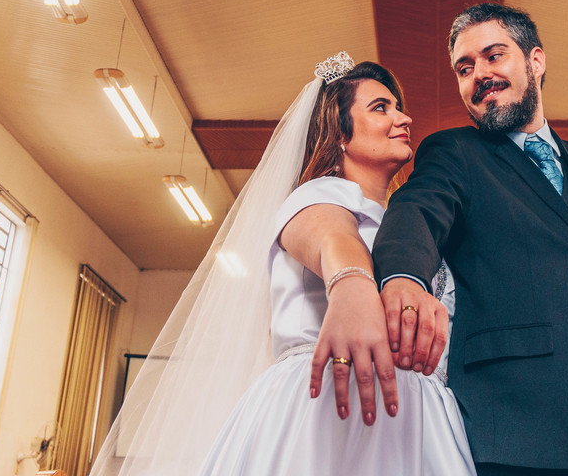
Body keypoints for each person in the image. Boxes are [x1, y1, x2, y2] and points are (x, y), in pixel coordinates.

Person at [88, 54, 475, 476]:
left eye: (397, 107)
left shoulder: (410, 227)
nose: (404, 118)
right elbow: (334, 238)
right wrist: (351, 286)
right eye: (380, 107)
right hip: (333, 405)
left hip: (422, 420)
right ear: (339, 132)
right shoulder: (317, 198)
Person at [371, 4, 568, 476]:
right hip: (522, 437)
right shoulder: (454, 153)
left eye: (493, 56)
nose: (479, 74)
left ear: (535, 60)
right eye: (464, 68)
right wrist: (403, 278)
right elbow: (415, 211)